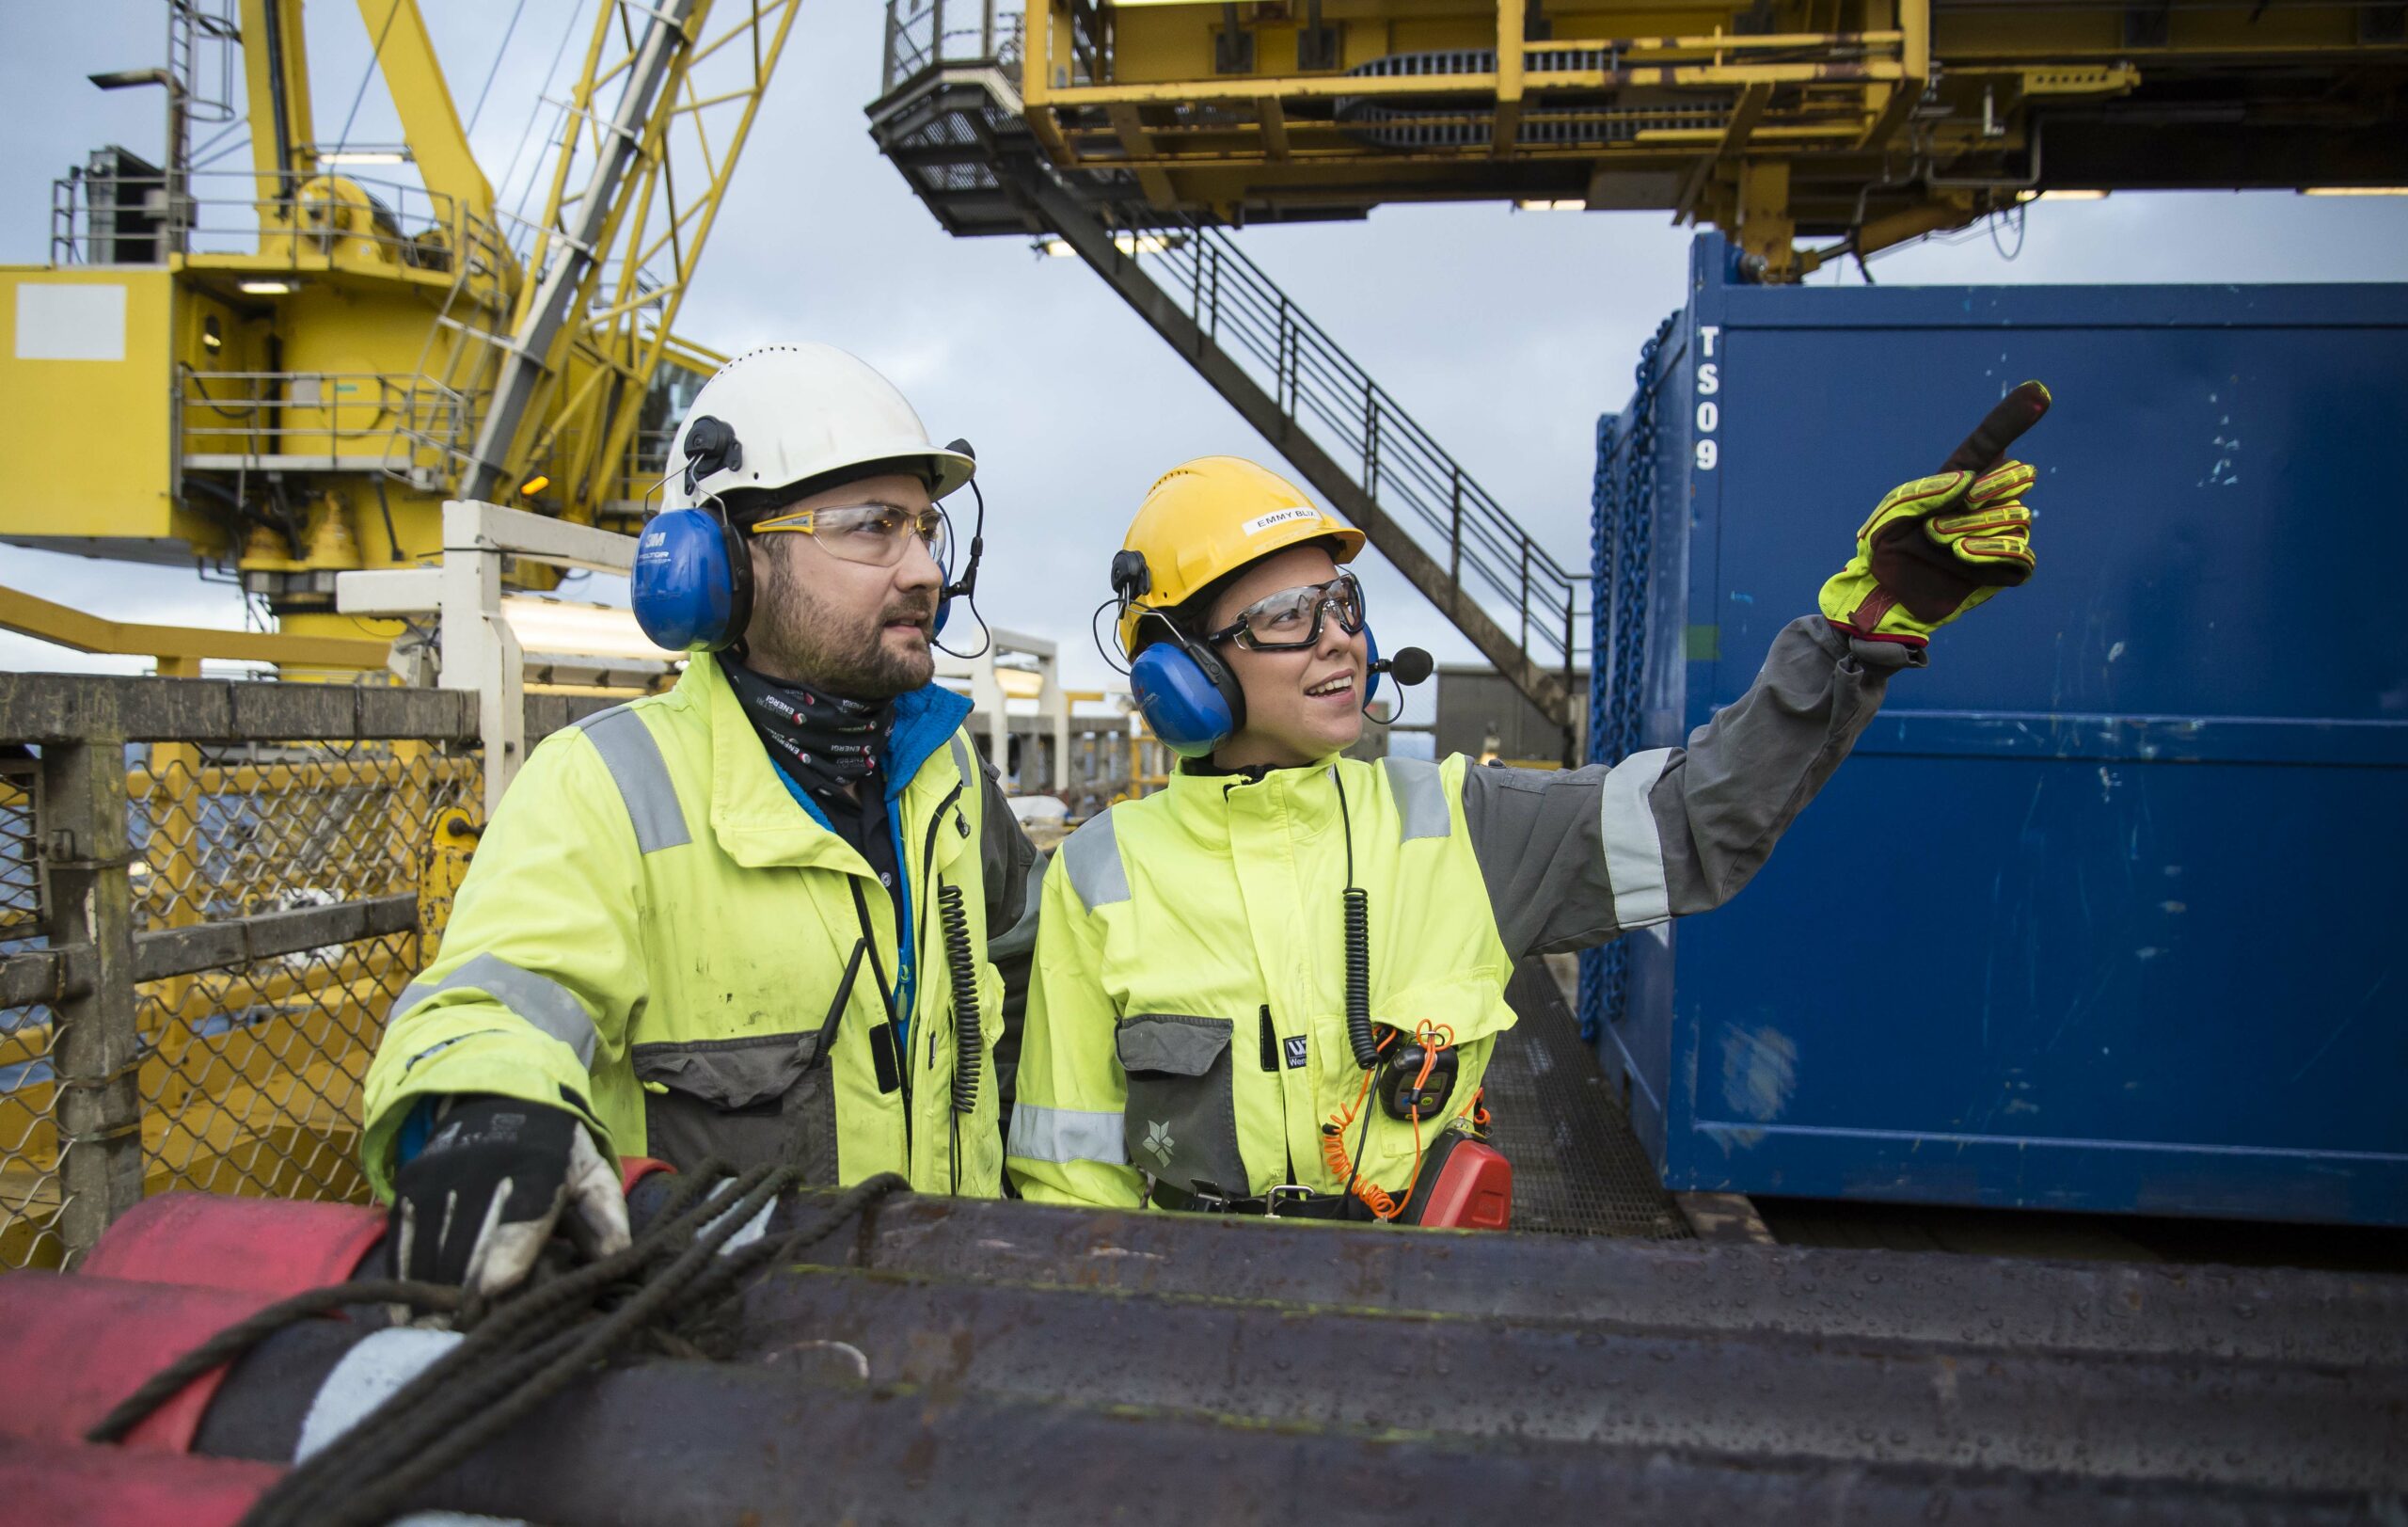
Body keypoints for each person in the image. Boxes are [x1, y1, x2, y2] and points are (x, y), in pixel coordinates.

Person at [1006, 450, 2040, 1220]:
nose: (1338, 639)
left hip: (1428, 1335)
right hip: (1201, 1348)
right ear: (1182, 672)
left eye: (1344, 603)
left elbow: (1697, 820)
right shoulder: (1099, 876)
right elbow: (1070, 1173)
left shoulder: (1462, 825)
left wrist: (1852, 644)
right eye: (1287, 614)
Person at [359, 343, 1037, 1293]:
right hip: (722, 1360)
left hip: (946, 1311)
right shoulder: (603, 788)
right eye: (873, 527)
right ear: (726, 564)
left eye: (925, 527)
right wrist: (491, 1110)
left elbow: (1022, 961)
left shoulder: (948, 775)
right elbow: (496, 1003)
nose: (923, 568)